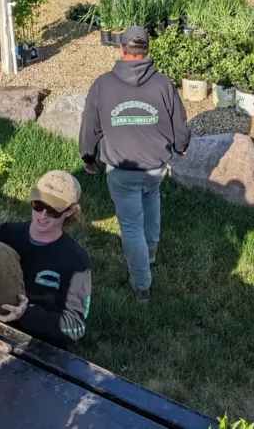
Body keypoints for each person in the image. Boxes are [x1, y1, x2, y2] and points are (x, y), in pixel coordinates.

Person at [78, 25, 190, 304]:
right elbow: (179, 123)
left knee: (130, 227)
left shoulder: (103, 84)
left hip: (122, 171)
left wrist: (88, 157)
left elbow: (89, 126)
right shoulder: (163, 83)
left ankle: (141, 286)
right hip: (155, 168)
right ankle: (150, 253)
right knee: (151, 197)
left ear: (121, 49)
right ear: (147, 51)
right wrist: (181, 145)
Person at [0, 171, 92, 350]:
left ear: (69, 211)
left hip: (36, 346)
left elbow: (75, 326)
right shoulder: (5, 233)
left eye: (53, 210)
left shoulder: (76, 260)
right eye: (38, 204)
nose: (42, 215)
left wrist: (25, 314)